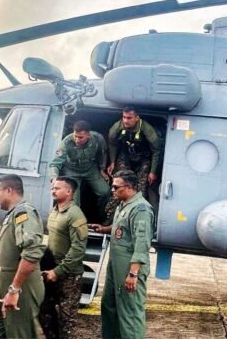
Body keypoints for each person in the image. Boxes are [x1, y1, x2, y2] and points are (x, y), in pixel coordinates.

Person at [89, 170, 153, 339]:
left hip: (129, 266)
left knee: (129, 313)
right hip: (116, 265)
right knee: (109, 306)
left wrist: (133, 273)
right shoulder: (124, 204)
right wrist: (104, 229)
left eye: (116, 187)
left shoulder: (141, 209)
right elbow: (122, 227)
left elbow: (142, 243)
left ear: (130, 187)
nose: (113, 190)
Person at [0, 174, 46, 339]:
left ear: (9, 190)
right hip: (6, 286)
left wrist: (14, 289)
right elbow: (9, 253)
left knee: (20, 334)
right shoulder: (12, 215)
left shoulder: (23, 212)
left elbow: (31, 253)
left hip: (20, 288)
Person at [39, 176, 88, 339]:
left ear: (69, 191)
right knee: (46, 312)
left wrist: (58, 271)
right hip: (52, 269)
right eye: (52, 188)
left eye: (57, 188)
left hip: (69, 274)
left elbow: (78, 249)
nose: (53, 191)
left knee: (66, 320)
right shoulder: (54, 210)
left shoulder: (75, 214)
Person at [49, 120, 111, 211]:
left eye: (81, 137)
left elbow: (103, 153)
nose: (77, 140)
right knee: (74, 203)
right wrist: (54, 178)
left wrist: (102, 168)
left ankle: (101, 215)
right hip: (71, 171)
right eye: (75, 136)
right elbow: (55, 163)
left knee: (106, 191)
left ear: (88, 135)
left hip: (90, 169)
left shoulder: (97, 138)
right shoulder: (67, 142)